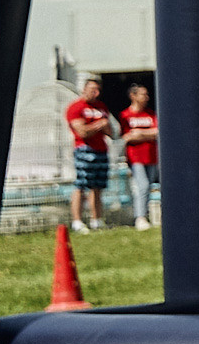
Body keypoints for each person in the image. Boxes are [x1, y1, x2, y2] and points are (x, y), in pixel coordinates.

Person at [64, 76, 117, 233]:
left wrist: (103, 126)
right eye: (93, 89)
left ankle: (97, 220)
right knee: (81, 184)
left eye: (98, 90)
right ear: (84, 89)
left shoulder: (101, 107)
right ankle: (77, 221)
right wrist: (99, 124)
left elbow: (111, 132)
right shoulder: (76, 107)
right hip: (84, 149)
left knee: (97, 186)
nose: (96, 93)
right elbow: (82, 131)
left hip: (101, 150)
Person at [120, 83, 159, 231]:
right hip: (136, 157)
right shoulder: (126, 115)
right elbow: (127, 137)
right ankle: (140, 217)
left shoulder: (150, 114)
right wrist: (147, 134)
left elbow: (157, 132)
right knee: (142, 186)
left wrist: (140, 134)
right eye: (143, 94)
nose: (146, 97)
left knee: (149, 186)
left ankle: (147, 214)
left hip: (152, 156)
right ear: (133, 96)